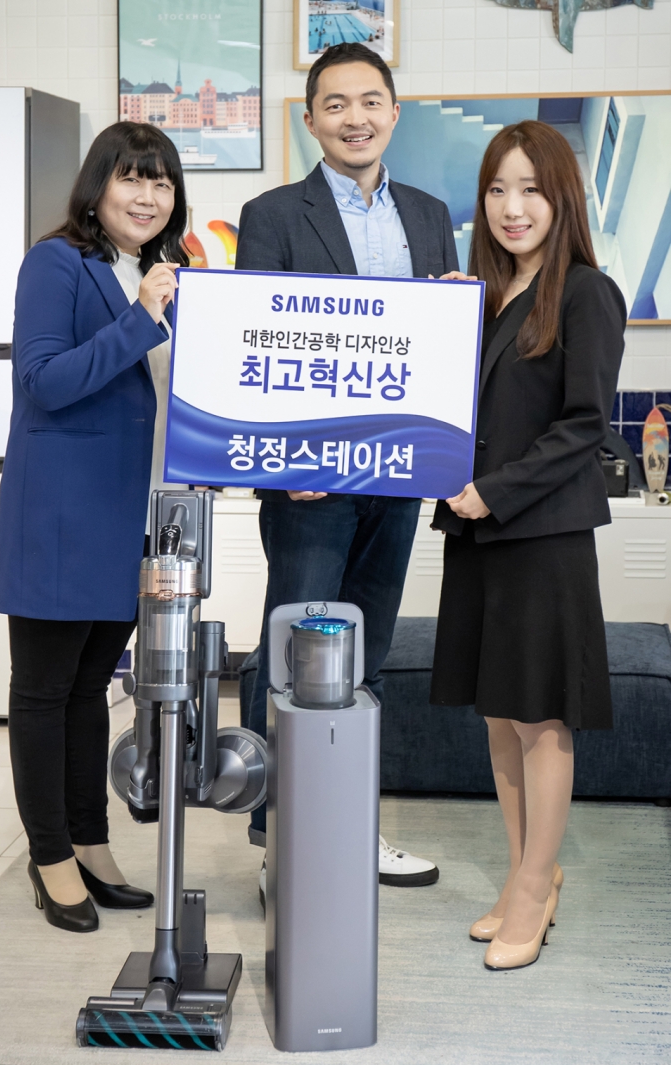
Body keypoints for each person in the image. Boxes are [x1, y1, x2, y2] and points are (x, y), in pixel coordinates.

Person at [236, 42, 461, 894]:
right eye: (336, 104)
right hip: (311, 485)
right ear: (311, 120)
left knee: (365, 657)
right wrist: (283, 461)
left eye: (371, 102)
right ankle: (284, 846)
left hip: (395, 475)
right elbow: (262, 342)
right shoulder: (273, 214)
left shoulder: (429, 214)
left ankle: (351, 828)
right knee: (296, 655)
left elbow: (436, 347)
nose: (355, 118)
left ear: (395, 112)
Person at [430, 120, 626, 970]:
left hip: (540, 533)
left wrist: (496, 491)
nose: (513, 207)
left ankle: (538, 886)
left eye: (531, 190)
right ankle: (521, 877)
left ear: (561, 198)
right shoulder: (484, 297)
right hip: (477, 532)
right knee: (501, 714)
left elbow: (585, 427)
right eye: (497, 190)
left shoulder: (585, 292)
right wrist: (443, 321)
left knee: (541, 717)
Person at [0, 122, 189, 932]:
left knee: (91, 689)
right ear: (97, 186)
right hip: (63, 514)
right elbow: (43, 380)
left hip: (135, 517)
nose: (147, 196)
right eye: (130, 178)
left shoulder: (166, 272)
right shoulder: (58, 263)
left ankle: (89, 841)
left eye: (161, 182)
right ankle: (49, 856)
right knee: (45, 691)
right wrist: (140, 318)